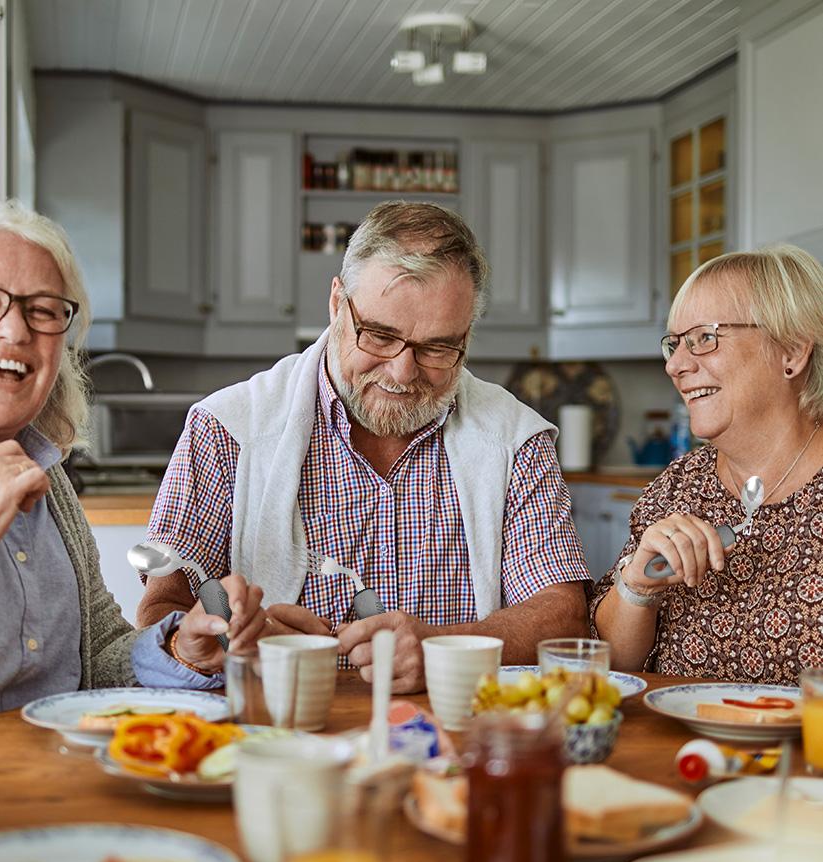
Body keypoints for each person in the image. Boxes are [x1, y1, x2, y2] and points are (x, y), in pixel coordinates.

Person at [139, 200, 590, 693]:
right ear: (337, 304)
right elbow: (162, 610)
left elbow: (562, 616)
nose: (402, 372)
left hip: (457, 729)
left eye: (438, 347)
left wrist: (443, 649)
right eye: (379, 335)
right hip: (275, 727)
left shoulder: (514, 439)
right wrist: (222, 637)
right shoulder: (227, 428)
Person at [0, 201, 262, 747]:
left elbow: (98, 660)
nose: (14, 329)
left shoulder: (48, 478)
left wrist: (181, 650)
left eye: (43, 310)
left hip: (61, 777)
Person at [591, 246, 823, 684]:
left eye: (704, 337)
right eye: (674, 344)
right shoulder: (678, 487)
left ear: (792, 351)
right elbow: (611, 671)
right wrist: (637, 588)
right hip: (675, 733)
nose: (676, 365)